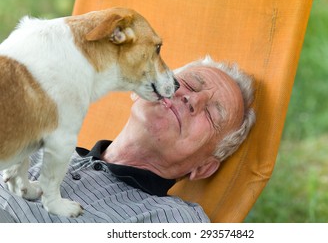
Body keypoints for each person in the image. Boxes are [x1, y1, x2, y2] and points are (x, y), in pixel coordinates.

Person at [0, 56, 256, 223]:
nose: (193, 99)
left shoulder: (173, 220)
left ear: (203, 168)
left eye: (212, 115)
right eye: (189, 84)